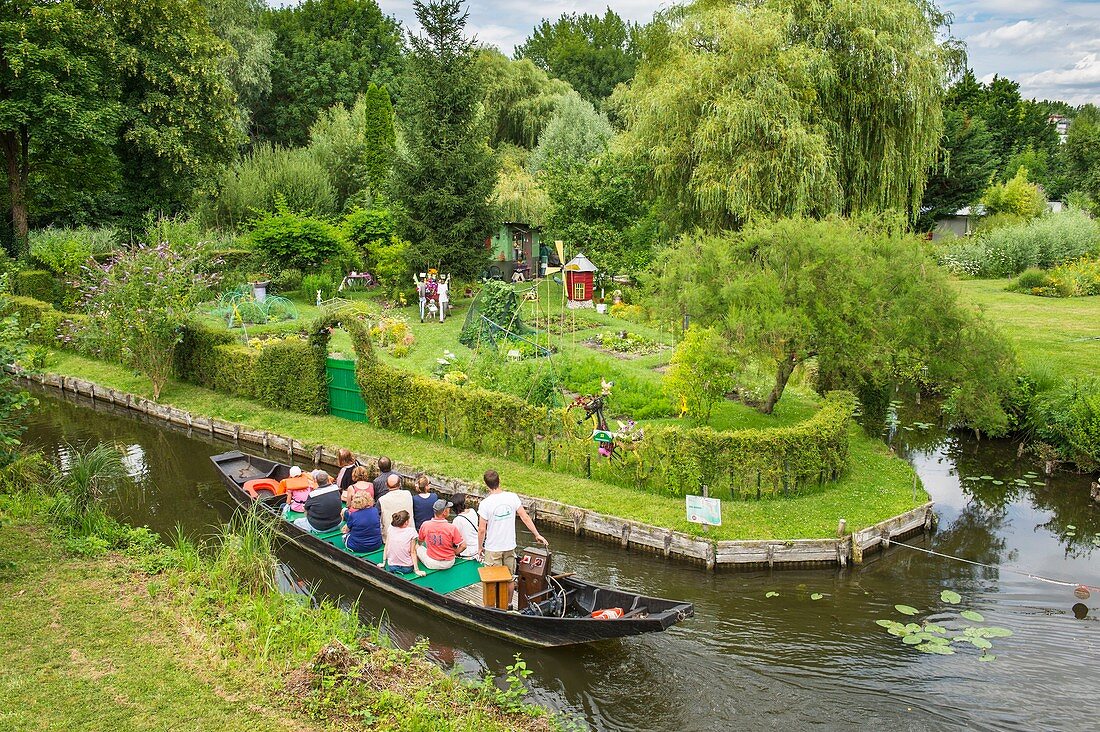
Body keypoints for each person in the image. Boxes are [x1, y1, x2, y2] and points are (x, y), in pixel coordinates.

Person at [477, 469, 548, 606]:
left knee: (493, 579)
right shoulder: (512, 497)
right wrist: (537, 534)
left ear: (486, 485)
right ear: (499, 481)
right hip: (509, 546)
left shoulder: (485, 504)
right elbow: (525, 517)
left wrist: (480, 547)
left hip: (493, 548)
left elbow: (481, 530)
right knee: (509, 579)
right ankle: (508, 604)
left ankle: (495, 606)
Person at [417, 499, 466, 570]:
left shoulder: (425, 525)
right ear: (444, 512)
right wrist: (454, 552)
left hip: (432, 563)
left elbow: (420, 541)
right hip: (449, 563)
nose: (450, 510)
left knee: (417, 547)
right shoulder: (451, 527)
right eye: (448, 509)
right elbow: (463, 545)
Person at [379, 510, 424, 576]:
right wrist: (417, 570)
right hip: (407, 568)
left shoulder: (391, 529)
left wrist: (383, 563)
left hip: (392, 566)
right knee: (417, 547)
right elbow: (413, 552)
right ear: (406, 522)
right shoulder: (411, 531)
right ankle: (415, 567)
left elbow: (386, 547)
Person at [377, 473, 412, 543]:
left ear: (386, 485)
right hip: (408, 535)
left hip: (389, 537)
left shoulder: (381, 500)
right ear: (400, 484)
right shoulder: (408, 494)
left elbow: (377, 517)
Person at [450, 492, 479, 558]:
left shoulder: (457, 520)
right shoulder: (472, 511)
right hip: (477, 547)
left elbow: (453, 538)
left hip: (466, 551)